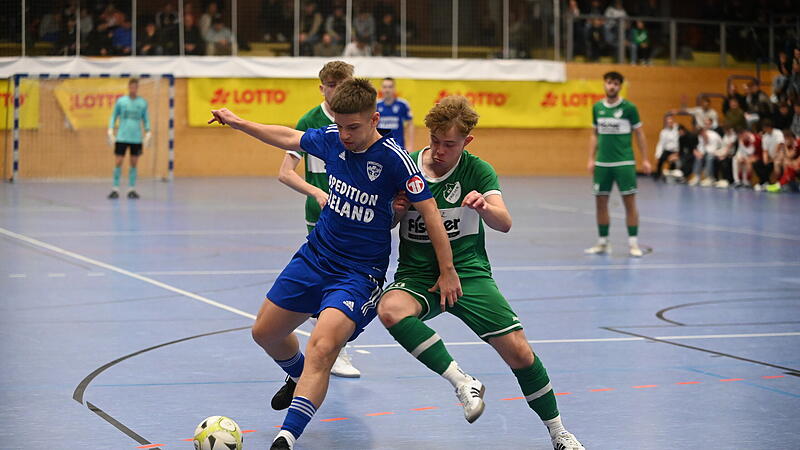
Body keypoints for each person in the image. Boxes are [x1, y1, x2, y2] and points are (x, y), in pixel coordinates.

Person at [208, 78, 462, 450]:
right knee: (265, 333)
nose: (344, 134)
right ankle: (298, 379)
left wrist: (447, 269)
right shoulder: (330, 138)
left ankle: (286, 436)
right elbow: (287, 137)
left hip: (358, 275)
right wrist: (238, 122)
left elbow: (431, 211)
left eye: (353, 127)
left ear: (374, 119)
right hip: (315, 256)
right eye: (340, 126)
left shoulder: (394, 159)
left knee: (322, 349)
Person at [379, 95, 585, 450]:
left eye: (450, 144)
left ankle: (559, 432)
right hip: (418, 274)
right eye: (435, 142)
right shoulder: (405, 166)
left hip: (469, 274)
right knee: (390, 309)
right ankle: (462, 381)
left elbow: (504, 223)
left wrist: (484, 206)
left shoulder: (478, 170)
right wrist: (395, 210)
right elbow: (385, 224)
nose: (440, 151)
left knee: (520, 353)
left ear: (467, 141)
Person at [278, 61, 359, 378]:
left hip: (356, 214)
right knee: (331, 278)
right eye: (332, 85)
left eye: (344, 84)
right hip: (322, 216)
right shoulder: (309, 121)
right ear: (322, 87)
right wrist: (316, 192)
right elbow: (285, 173)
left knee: (350, 279)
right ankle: (334, 349)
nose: (337, 90)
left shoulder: (358, 120)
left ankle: (332, 345)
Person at [585, 71, 651, 257]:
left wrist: (645, 159)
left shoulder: (630, 108)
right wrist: (591, 158)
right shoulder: (597, 107)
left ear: (620, 86)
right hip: (602, 164)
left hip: (624, 162)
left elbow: (640, 134)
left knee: (629, 203)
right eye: (608, 83)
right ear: (604, 84)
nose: (611, 86)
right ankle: (603, 243)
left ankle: (633, 244)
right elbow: (594, 134)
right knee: (600, 203)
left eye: (615, 83)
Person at [107, 79, 151, 199]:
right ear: (128, 87)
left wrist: (148, 131)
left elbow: (146, 118)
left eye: (135, 87)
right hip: (122, 136)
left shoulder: (142, 103)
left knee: (134, 163)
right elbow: (114, 115)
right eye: (131, 87)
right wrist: (110, 129)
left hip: (136, 138)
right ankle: (115, 188)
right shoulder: (121, 101)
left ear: (137, 88)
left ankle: (131, 189)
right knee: (118, 162)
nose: (133, 89)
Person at [377, 77, 414, 150]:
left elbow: (410, 124)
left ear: (394, 89)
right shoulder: (376, 105)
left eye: (390, 87)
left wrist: (410, 145)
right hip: (380, 146)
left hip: (398, 146)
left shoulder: (403, 104)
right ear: (381, 89)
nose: (387, 90)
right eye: (385, 87)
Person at [654, 114, 679, 181]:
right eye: (668, 121)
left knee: (673, 162)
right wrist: (657, 155)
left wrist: (677, 154)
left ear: (673, 120)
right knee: (660, 160)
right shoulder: (663, 132)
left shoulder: (678, 129)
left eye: (671, 120)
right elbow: (661, 144)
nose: (669, 122)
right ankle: (658, 174)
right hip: (667, 150)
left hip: (676, 151)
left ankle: (672, 177)